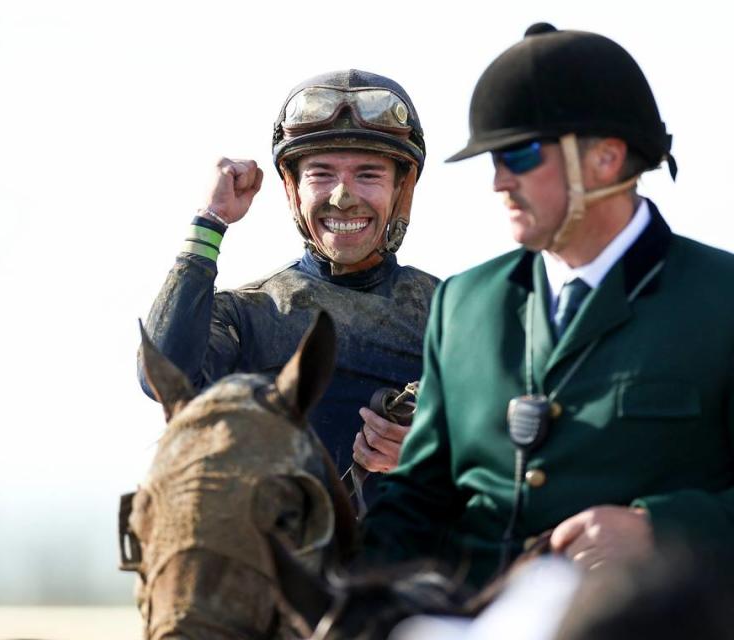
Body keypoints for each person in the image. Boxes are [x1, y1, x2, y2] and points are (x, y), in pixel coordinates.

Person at [363, 23, 734, 589]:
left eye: (519, 155)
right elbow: (419, 494)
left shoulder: (721, 297)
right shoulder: (463, 304)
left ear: (607, 159)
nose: (498, 182)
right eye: (493, 160)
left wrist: (661, 528)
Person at [137, 70, 439, 483]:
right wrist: (210, 221)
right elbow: (164, 377)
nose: (342, 197)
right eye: (321, 174)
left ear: (401, 190)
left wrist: (434, 447)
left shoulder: (454, 313)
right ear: (293, 189)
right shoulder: (247, 315)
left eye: (368, 174)